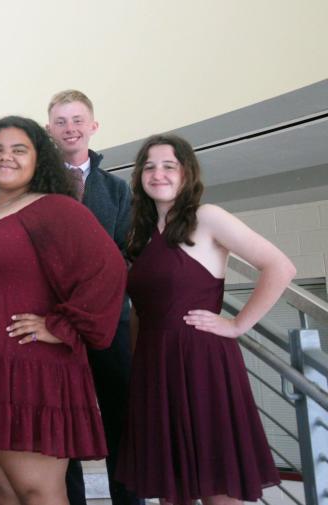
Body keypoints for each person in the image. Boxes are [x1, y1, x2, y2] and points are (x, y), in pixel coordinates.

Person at [0, 116, 127, 505]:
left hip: (31, 367)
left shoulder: (54, 209)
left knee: (38, 493)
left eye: (20, 150)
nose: (7, 157)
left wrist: (63, 326)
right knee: (1, 492)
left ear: (40, 160)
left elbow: (109, 269)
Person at [116, 134, 294, 504]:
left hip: (202, 363)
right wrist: (138, 363)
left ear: (186, 173)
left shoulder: (207, 217)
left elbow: (280, 266)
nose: (158, 173)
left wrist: (237, 324)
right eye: (149, 167)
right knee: (172, 492)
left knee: (217, 486)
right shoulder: (141, 234)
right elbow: (141, 310)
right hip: (154, 368)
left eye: (169, 165)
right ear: (139, 177)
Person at [44, 89, 138, 505]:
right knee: (63, 426)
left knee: (120, 421)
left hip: (109, 324)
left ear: (93, 127)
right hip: (55, 325)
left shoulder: (117, 190)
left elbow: (127, 254)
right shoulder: (39, 187)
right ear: (49, 129)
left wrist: (95, 296)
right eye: (61, 122)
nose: (70, 128)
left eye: (78, 120)